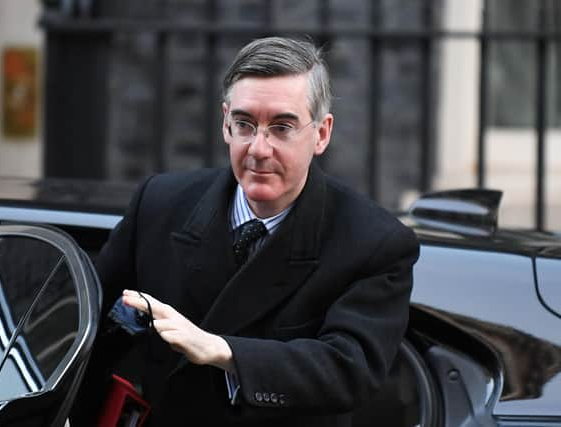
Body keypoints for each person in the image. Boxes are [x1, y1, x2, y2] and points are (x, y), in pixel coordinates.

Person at [78, 36, 419, 427]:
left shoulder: (374, 242)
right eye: (245, 124)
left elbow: (347, 370)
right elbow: (87, 328)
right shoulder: (159, 204)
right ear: (225, 124)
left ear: (321, 134)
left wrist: (221, 350)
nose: (259, 147)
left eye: (281, 127)